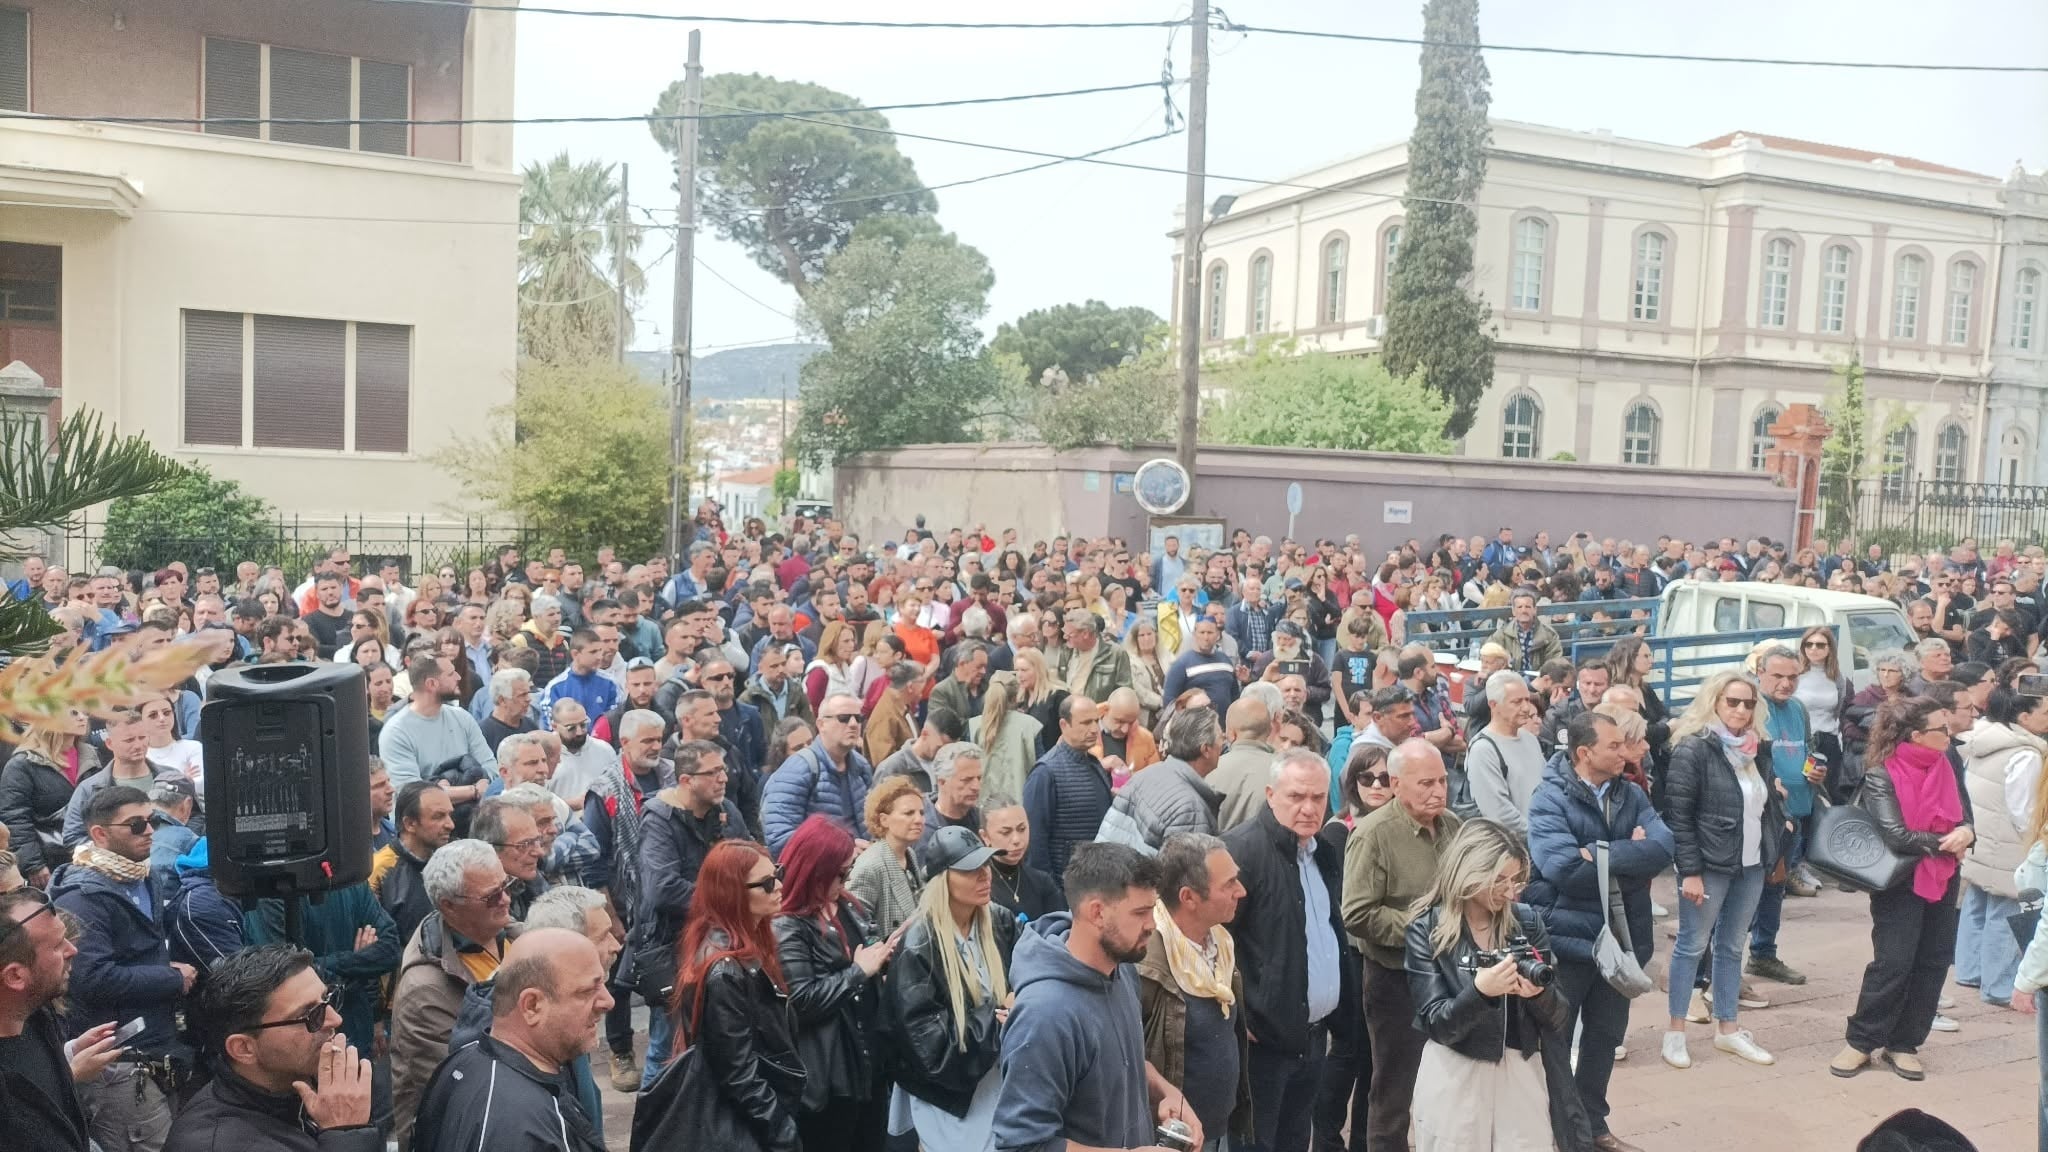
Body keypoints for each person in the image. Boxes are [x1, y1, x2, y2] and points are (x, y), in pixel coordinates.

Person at [1524, 713, 1674, 1152]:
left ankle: (1593, 1126)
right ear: (1585, 753)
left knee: (1605, 1038)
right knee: (1557, 1039)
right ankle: (1561, 1134)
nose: (1624, 753)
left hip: (1624, 940)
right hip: (1571, 940)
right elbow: (1562, 869)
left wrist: (1600, 854)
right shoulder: (1548, 797)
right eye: (1614, 746)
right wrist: (1632, 854)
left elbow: (1664, 847)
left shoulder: (1629, 792)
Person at [991, 841, 1204, 1152]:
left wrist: (1165, 1090)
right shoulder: (1045, 1015)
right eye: (1141, 912)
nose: (1152, 925)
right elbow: (1022, 1145)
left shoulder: (1122, 970)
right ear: (1097, 913)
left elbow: (1121, 1061)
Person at [1405, 818, 1591, 1152]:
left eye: (1515, 879)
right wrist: (1479, 993)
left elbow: (1561, 1016)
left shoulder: (1526, 921)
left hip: (1520, 1070)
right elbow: (1437, 1024)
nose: (1509, 890)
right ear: (1468, 871)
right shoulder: (1427, 929)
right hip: (1456, 1072)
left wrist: (1539, 995)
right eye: (1498, 880)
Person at [1831, 696, 1974, 1082]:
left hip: (1944, 874)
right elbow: (1896, 835)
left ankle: (1904, 1043)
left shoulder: (1950, 761)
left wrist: (1967, 831)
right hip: (1900, 881)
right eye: (1940, 730)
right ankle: (1861, 1041)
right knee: (1893, 963)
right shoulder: (1883, 773)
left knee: (1932, 960)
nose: (1949, 734)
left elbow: (1966, 811)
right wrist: (1948, 839)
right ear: (1916, 735)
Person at [635, 840, 805, 1152]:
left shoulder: (744, 948)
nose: (779, 885)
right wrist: (782, 1130)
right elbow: (738, 1075)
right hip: (745, 1125)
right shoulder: (724, 971)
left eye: (778, 873)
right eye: (767, 883)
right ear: (733, 893)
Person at [51, 785, 194, 1152]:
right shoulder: (81, 898)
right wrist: (172, 978)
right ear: (99, 834)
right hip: (120, 1060)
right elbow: (91, 978)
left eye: (152, 821)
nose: (149, 831)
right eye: (135, 825)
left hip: (158, 1043)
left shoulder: (145, 875)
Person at [1661, 670, 1785, 1069]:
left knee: (1732, 947)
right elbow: (1679, 817)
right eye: (1732, 701)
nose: (1741, 709)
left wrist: (1774, 841)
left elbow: (1763, 804)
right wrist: (1691, 871)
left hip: (1750, 863)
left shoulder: (1757, 749)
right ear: (1714, 701)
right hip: (1709, 864)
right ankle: (1675, 1031)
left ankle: (1728, 1029)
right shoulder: (1693, 749)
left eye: (1748, 703)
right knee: (1692, 944)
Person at [1222, 748, 1344, 1152]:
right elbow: (1213, 940)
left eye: (1318, 798)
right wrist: (1240, 1016)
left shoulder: (1320, 851)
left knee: (1295, 1141)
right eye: (1297, 797)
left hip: (1313, 1036)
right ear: (1271, 794)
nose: (1309, 808)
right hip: (1262, 1044)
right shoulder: (1241, 851)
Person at [1342, 739, 1460, 1152]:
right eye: (1426, 783)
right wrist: (1425, 928)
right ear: (1395, 784)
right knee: (1394, 1090)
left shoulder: (1452, 825)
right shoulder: (1374, 835)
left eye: (1443, 780)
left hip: (1449, 974)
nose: (1438, 791)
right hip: (1396, 980)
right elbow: (1357, 915)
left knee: (1450, 1079)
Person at [163, 944, 378, 1152]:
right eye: (310, 1015)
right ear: (243, 1048)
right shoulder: (213, 1144)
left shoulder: (305, 1089)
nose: (335, 1019)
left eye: (327, 998)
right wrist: (347, 1135)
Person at [413, 929, 610, 1152]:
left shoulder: (459, 1062)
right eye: (587, 990)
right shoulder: (527, 1127)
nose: (608, 1001)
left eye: (603, 983)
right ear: (532, 1006)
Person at [884, 824, 1016, 1152]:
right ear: (944, 879)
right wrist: (1001, 1014)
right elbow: (933, 1056)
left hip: (997, 1084)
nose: (985, 875)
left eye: (986, 864)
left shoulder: (999, 920)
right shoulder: (919, 946)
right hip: (949, 1101)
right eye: (971, 869)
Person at [773, 816, 900, 1152]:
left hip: (866, 1062)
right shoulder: (788, 925)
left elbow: (861, 955)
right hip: (830, 1076)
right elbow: (800, 1001)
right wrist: (859, 972)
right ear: (815, 870)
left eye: (849, 870)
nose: (846, 880)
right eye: (841, 873)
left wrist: (882, 956)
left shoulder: (844, 903)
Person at [389, 838, 515, 1150]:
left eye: (506, 885)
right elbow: (463, 1090)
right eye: (491, 897)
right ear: (448, 905)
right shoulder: (425, 990)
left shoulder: (514, 935)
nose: (507, 899)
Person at [1137, 834, 1252, 1152]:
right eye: (1228, 884)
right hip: (1171, 1139)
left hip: (1217, 1132)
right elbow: (1126, 1057)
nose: (1240, 891)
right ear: (1188, 897)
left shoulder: (1222, 945)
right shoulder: (1146, 961)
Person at [1312, 744, 1395, 1152]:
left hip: (1386, 956)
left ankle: (1363, 1140)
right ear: (1352, 783)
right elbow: (1340, 902)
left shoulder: (1398, 825)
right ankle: (1327, 1139)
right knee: (1349, 1050)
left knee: (1375, 1060)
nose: (1377, 786)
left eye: (1385, 777)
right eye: (1368, 778)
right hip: (1350, 956)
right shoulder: (1337, 831)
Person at [0, 886, 123, 1152]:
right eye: (57, 946)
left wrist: (66, 1057)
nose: (73, 951)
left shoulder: (39, 1017)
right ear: (15, 977)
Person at [1958, 684, 2048, 1014]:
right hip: (2008, 841)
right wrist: (2035, 843)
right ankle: (1997, 986)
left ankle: (1969, 970)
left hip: (1983, 836)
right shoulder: (2026, 753)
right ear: (2024, 717)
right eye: (2045, 713)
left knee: (1978, 901)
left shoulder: (1988, 738)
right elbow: (2024, 808)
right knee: (2006, 911)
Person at [1098, 706, 1228, 853]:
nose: (1223, 742)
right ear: (1206, 749)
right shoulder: (1190, 810)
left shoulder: (1146, 773)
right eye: (1221, 737)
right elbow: (1185, 873)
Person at [763, 692, 877, 855]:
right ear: (821, 724)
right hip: (821, 875)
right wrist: (841, 852)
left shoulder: (861, 765)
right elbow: (779, 838)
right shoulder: (798, 769)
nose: (853, 724)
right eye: (843, 718)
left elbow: (870, 826)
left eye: (858, 718)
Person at [0, 713, 104, 886]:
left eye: (84, 712)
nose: (82, 718)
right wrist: (33, 864)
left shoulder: (93, 756)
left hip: (94, 857)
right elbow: (15, 818)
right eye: (73, 713)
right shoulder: (22, 765)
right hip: (50, 861)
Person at [1023, 695, 1112, 879]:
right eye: (1086, 723)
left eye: (1096, 721)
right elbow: (1035, 841)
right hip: (1066, 886)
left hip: (1098, 879)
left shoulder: (1094, 765)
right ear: (1064, 725)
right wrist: (1050, 892)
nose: (1095, 729)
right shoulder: (1046, 773)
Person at [379, 655, 498, 787]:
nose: (458, 677)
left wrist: (482, 782)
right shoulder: (396, 731)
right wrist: (473, 791)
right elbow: (409, 792)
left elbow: (491, 768)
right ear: (431, 684)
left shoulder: (462, 718)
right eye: (451, 674)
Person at [369, 781, 455, 953]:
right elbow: (374, 942)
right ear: (409, 824)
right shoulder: (378, 870)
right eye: (438, 816)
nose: (450, 824)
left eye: (449, 815)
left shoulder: (455, 859)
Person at [1466, 673, 1545, 838]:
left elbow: (1546, 786)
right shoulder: (1483, 749)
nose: (1525, 708)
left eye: (1527, 700)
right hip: (1513, 848)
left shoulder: (1530, 739)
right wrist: (1540, 835)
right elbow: (1498, 813)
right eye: (1516, 702)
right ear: (1493, 705)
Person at [847, 776, 927, 938]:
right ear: (884, 820)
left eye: (921, 812)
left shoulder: (909, 853)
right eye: (909, 813)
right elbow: (856, 926)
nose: (919, 820)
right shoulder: (870, 865)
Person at [982, 797, 1062, 924]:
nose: (1016, 840)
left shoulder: (1042, 881)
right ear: (985, 837)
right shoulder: (981, 886)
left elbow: (1060, 928)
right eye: (1005, 832)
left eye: (1022, 829)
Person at [971, 676, 1044, 805]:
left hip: (982, 805)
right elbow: (1041, 769)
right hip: (1021, 805)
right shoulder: (1030, 725)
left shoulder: (973, 726)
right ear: (1015, 698)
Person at [1164, 618, 1241, 712]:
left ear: (1217, 635)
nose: (1206, 637)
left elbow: (1235, 695)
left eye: (1210, 632)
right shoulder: (1181, 664)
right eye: (1202, 632)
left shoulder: (1226, 661)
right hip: (1196, 724)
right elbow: (1169, 701)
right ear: (1194, 634)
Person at [1488, 589, 1563, 675]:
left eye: (1528, 607)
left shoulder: (1549, 635)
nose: (1524, 611)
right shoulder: (1503, 634)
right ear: (1513, 611)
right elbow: (1488, 654)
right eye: (1519, 607)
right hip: (1510, 679)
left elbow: (1554, 663)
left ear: (1534, 610)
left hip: (1539, 680)